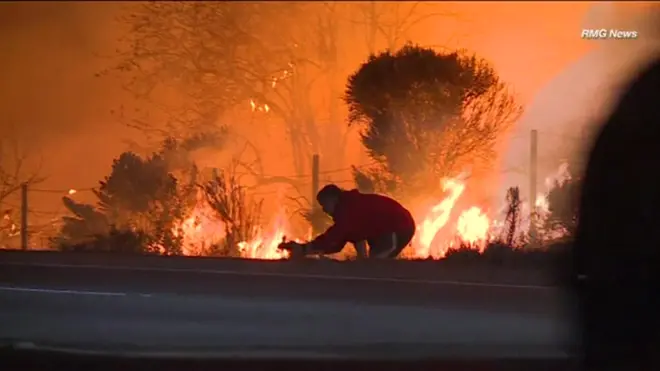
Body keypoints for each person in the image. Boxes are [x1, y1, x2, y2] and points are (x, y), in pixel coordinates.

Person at [284, 184, 416, 259]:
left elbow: (334, 239)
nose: (324, 210)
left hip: (398, 226)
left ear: (333, 199)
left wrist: (304, 249)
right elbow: (355, 237)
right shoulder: (349, 206)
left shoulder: (348, 209)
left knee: (376, 266)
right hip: (393, 227)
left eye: (324, 204)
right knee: (370, 265)